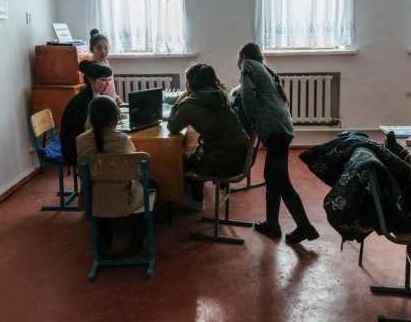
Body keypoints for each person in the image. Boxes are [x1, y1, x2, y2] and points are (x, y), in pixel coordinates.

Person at [236, 42, 319, 244]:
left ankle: (305, 227)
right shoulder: (264, 68)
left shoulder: (248, 65)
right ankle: (273, 225)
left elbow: (247, 95)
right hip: (281, 126)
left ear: (243, 55)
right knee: (273, 177)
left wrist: (252, 119)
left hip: (274, 127)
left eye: (238, 58)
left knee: (280, 179)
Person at [167, 63, 249, 211]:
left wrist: (180, 99)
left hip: (223, 162)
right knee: (201, 148)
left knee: (187, 159)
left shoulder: (190, 104)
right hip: (242, 157)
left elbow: (172, 126)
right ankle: (210, 188)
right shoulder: (221, 93)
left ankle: (197, 198)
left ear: (190, 82)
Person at [76, 96, 153, 253]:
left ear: (90, 117)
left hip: (92, 199)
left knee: (101, 190)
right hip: (121, 198)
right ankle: (136, 240)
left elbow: (82, 173)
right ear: (116, 118)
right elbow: (136, 168)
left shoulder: (81, 140)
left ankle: (105, 243)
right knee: (151, 185)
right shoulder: (122, 139)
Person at [60, 61, 113, 167]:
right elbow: (84, 129)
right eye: (103, 80)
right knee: (115, 149)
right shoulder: (81, 102)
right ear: (91, 80)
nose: (108, 84)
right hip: (75, 150)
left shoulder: (96, 95)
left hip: (86, 142)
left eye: (109, 80)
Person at [89, 29, 123, 105]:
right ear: (91, 49)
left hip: (112, 103)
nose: (103, 51)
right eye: (99, 48)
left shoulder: (105, 62)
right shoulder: (92, 67)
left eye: (106, 47)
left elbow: (111, 89)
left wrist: (118, 101)